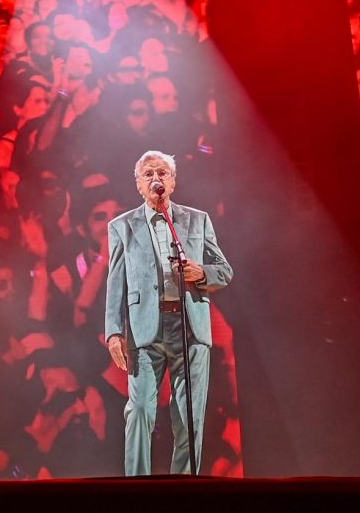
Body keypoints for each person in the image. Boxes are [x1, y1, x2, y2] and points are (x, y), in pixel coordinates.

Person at [104, 149, 233, 475]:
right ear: (138, 184)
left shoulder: (197, 219)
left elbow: (224, 270)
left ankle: (183, 490)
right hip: (146, 327)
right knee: (141, 409)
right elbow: (115, 281)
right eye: (148, 174)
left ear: (172, 182)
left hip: (189, 326)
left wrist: (200, 273)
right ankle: (137, 486)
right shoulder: (122, 226)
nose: (156, 179)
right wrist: (114, 331)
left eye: (162, 173)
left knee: (189, 416)